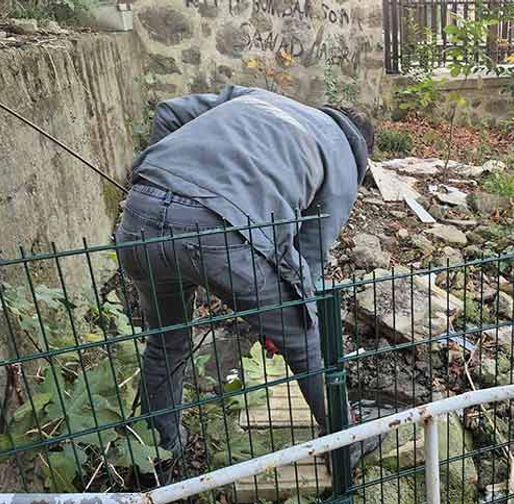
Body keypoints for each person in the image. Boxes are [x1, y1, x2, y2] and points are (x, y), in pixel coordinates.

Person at [115, 85, 374, 463]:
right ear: (364, 153)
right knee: (306, 341)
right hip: (223, 232)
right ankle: (344, 446)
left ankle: (160, 453)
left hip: (140, 215)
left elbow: (168, 113)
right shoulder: (344, 161)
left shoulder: (258, 97)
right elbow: (309, 259)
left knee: (166, 341)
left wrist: (165, 186)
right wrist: (286, 321)